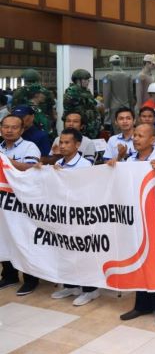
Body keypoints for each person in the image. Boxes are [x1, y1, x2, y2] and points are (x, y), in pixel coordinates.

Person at [113, 123, 155, 327]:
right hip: (134, 216)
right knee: (138, 259)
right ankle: (142, 305)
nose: (136, 139)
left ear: (152, 140)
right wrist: (117, 161)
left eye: (140, 135)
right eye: (135, 135)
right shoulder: (129, 161)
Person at [49, 128, 99, 306]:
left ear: (77, 145)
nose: (62, 146)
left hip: (80, 216)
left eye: (67, 142)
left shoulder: (84, 165)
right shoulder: (58, 163)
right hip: (62, 215)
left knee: (83, 253)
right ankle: (71, 285)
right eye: (61, 142)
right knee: (65, 251)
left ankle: (90, 290)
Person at [0, 114, 42, 294]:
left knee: (23, 238)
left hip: (21, 203)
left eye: (14, 127)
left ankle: (31, 279)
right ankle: (9, 275)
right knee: (4, 238)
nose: (9, 130)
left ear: (22, 129)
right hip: (3, 202)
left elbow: (32, 168)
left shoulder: (29, 146)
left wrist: (5, 162)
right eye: (5, 126)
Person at [13, 68, 56, 139]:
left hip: (26, 126)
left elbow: (14, 111)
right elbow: (52, 111)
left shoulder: (19, 92)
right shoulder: (46, 92)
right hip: (45, 125)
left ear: (25, 79)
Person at [63, 69, 101, 138]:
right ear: (78, 80)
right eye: (85, 79)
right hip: (81, 127)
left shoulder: (86, 91)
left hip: (91, 127)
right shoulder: (72, 92)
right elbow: (70, 111)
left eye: (88, 80)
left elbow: (93, 107)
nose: (88, 82)